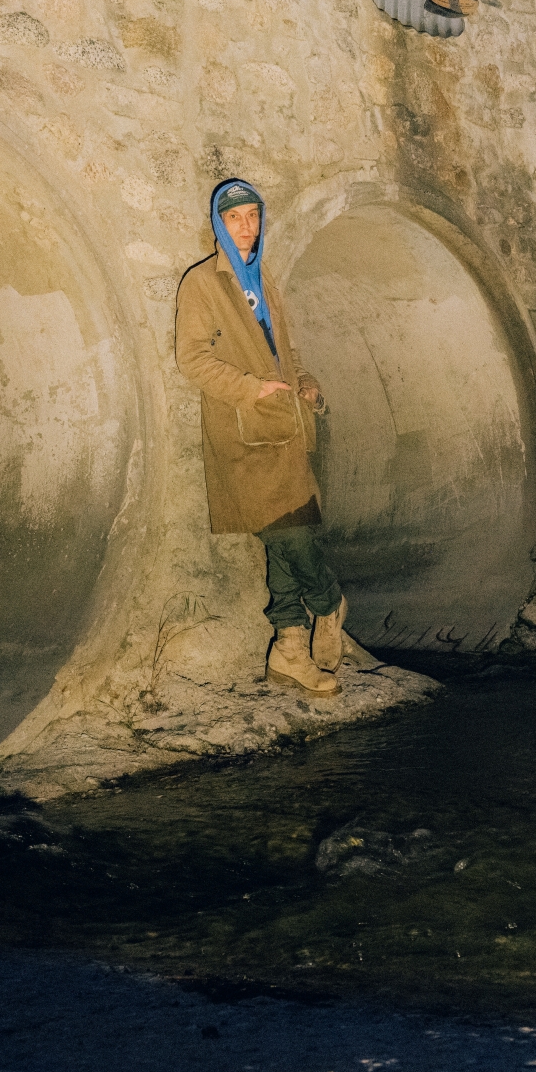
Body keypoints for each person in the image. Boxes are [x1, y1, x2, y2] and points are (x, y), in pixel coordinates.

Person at [174, 179, 373, 694]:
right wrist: (251, 389)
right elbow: (191, 359)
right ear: (220, 224)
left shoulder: (266, 280)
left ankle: (288, 649)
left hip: (286, 428)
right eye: (235, 217)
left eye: (253, 215)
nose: (246, 226)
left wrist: (304, 382)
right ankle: (329, 604)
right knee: (291, 532)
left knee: (285, 537)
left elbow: (288, 352)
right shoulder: (203, 284)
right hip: (245, 435)